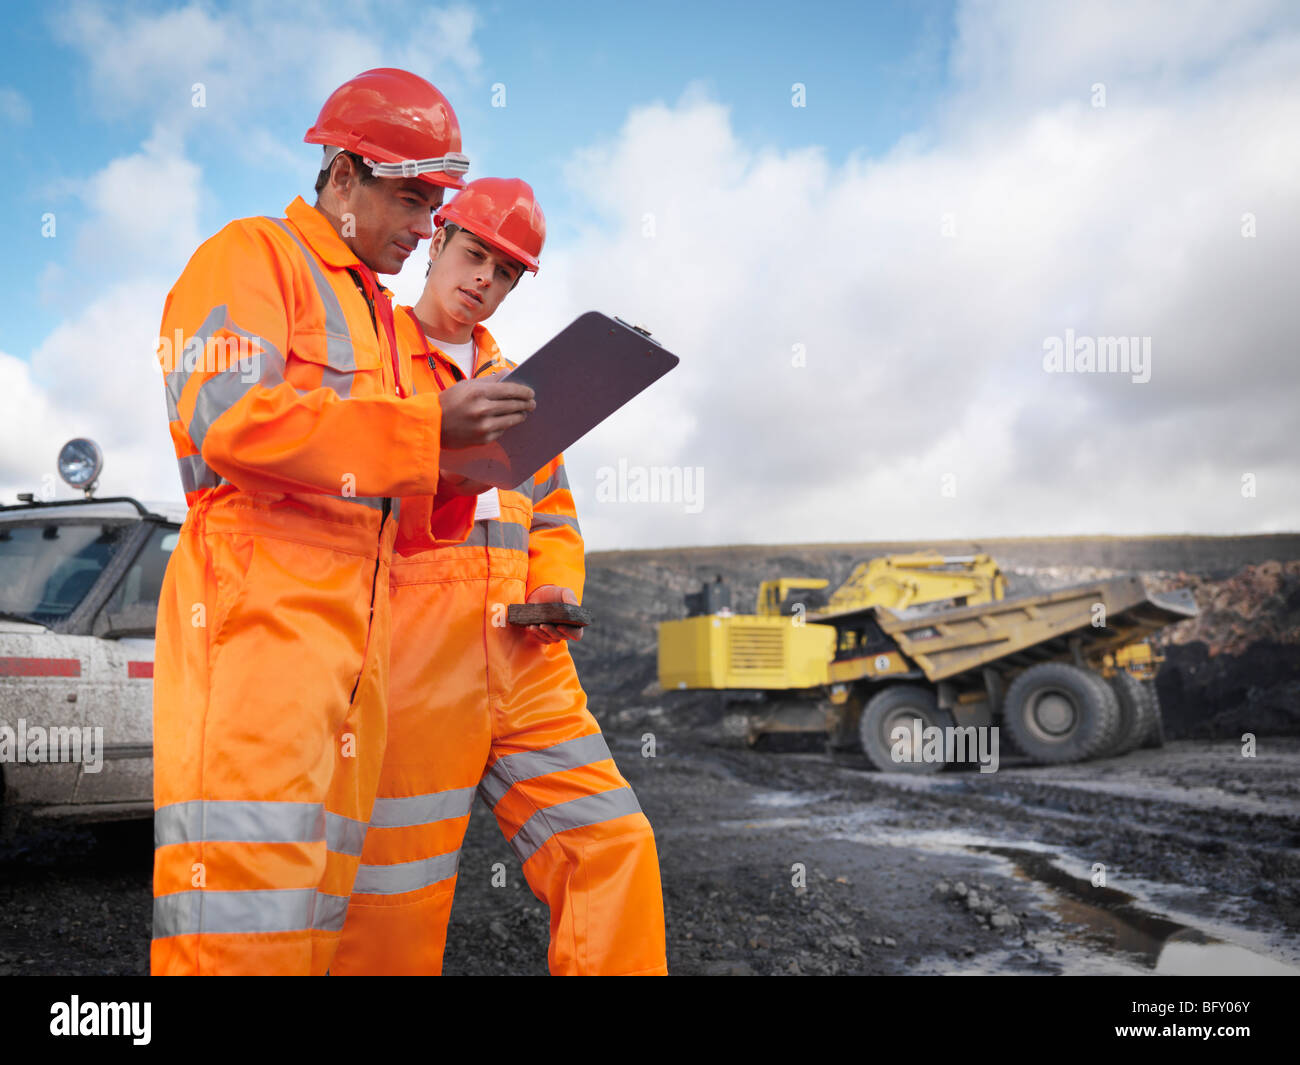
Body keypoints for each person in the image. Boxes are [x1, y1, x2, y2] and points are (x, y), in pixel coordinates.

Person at [151, 70, 535, 976]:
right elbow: (227, 417)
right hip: (255, 629)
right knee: (240, 913)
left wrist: (455, 470)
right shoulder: (251, 255)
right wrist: (427, 429)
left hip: (355, 648)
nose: (422, 224)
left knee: (317, 910)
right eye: (409, 199)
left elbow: (395, 507)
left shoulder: (372, 316)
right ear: (342, 177)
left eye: (433, 202)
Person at [330, 178, 668, 976]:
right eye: (474, 254)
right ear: (437, 240)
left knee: (612, 843)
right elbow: (348, 501)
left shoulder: (524, 383)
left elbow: (551, 512)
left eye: (506, 271)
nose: (484, 278)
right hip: (415, 661)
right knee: (393, 892)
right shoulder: (372, 360)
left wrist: (554, 589)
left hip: (526, 658)